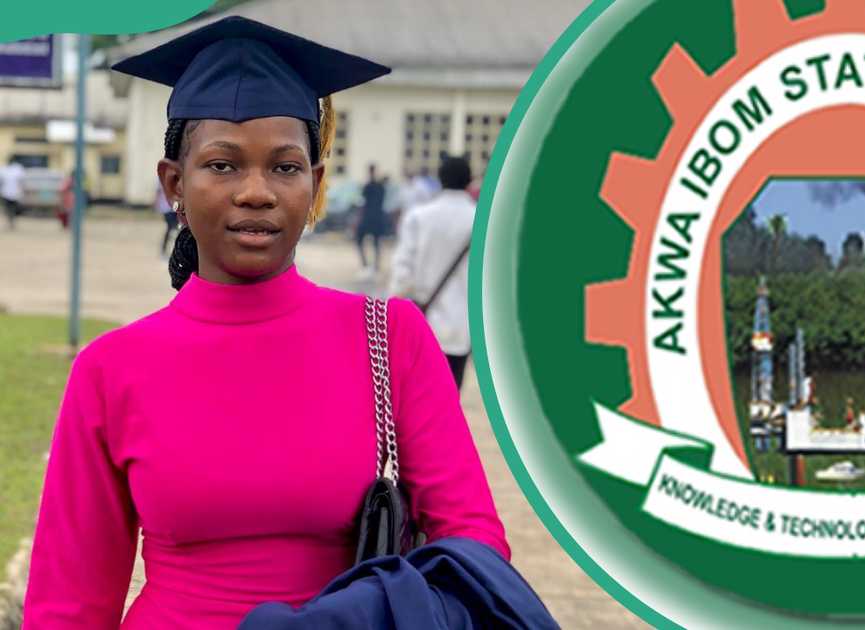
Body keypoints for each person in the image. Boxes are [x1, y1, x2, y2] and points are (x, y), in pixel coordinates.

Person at [23, 17, 514, 629]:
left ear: (315, 184)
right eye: (223, 165)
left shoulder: (389, 340)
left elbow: (474, 546)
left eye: (285, 167)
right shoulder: (111, 369)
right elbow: (67, 604)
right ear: (174, 182)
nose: (256, 191)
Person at [390, 156, 475, 389]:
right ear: (469, 181)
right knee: (450, 396)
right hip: (462, 326)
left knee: (419, 397)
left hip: (424, 322)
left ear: (440, 179)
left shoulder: (419, 217)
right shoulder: (481, 220)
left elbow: (402, 273)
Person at [355, 164, 389, 276]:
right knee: (376, 242)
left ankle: (366, 265)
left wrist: (359, 218)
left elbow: (362, 203)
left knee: (360, 240)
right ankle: (375, 266)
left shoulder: (368, 186)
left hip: (368, 218)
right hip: (378, 217)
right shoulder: (381, 187)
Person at [155, 175, 177, 257]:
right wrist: (156, 204)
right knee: (170, 228)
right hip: (166, 207)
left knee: (174, 229)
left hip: (175, 207)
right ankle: (164, 250)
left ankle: (172, 251)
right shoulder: (161, 176)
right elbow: (158, 191)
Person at [2, 158, 25, 229]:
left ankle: (12, 222)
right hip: (8, 192)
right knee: (9, 208)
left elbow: (21, 181)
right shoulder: (5, 169)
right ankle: (10, 222)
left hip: (12, 192)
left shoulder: (16, 169)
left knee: (12, 208)